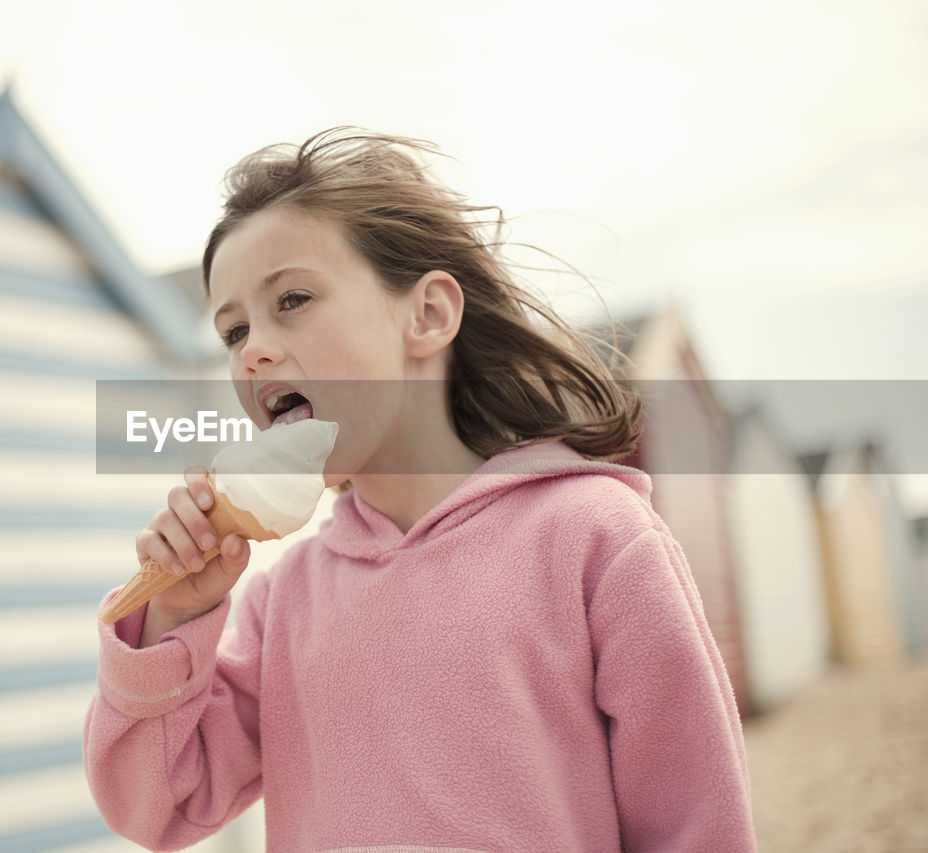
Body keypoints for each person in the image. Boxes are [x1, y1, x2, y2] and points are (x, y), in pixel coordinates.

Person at [83, 128, 756, 851]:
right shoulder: (286, 602)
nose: (253, 349)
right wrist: (175, 615)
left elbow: (697, 825)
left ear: (428, 315)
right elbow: (156, 806)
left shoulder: (596, 538)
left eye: (294, 299)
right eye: (234, 329)